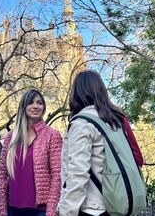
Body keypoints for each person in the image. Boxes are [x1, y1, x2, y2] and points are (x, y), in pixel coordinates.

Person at [58, 70, 143, 216]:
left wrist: (67, 211)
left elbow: (78, 172)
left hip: (92, 207)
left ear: (77, 92)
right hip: (118, 204)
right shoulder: (116, 120)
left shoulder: (82, 122)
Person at [0, 89, 62, 216]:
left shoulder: (52, 135)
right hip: (12, 208)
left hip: (40, 209)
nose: (36, 106)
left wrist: (52, 210)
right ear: (23, 107)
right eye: (30, 103)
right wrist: (1, 208)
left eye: (39, 103)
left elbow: (57, 175)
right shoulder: (10, 137)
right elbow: (2, 174)